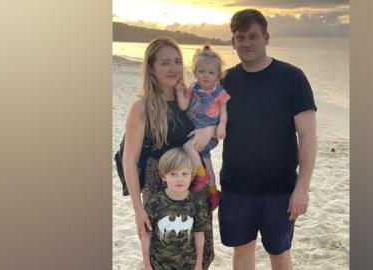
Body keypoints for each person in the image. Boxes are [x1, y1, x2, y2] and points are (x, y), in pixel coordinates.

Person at [218, 9, 318, 270]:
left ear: (266, 37)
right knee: (241, 251)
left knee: (280, 253)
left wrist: (302, 188)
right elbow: (204, 126)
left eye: (253, 36)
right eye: (241, 37)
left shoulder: (292, 77)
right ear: (233, 42)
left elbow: (307, 136)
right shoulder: (225, 81)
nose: (247, 43)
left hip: (280, 189)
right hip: (236, 186)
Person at [122, 37, 215, 270]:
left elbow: (206, 131)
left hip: (194, 182)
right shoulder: (142, 106)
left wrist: (210, 178)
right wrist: (138, 209)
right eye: (164, 63)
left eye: (176, 61)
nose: (173, 68)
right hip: (157, 184)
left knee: (199, 253)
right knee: (160, 255)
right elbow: (129, 160)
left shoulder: (191, 98)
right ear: (151, 69)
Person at [175, 45, 230, 211]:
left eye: (211, 72)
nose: (206, 76)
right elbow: (184, 106)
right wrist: (179, 93)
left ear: (218, 75)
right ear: (195, 71)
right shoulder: (193, 88)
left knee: (187, 147)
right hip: (195, 129)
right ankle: (213, 193)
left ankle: (201, 175)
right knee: (208, 162)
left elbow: (224, 112)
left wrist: (221, 126)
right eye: (202, 71)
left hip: (210, 133)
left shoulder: (219, 92)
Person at [144, 148, 208, 270]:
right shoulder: (154, 203)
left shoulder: (196, 203)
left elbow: (199, 233)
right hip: (159, 265)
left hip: (187, 265)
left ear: (191, 176)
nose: (180, 179)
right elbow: (146, 235)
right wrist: (147, 265)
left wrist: (199, 264)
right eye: (173, 174)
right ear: (164, 176)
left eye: (184, 174)